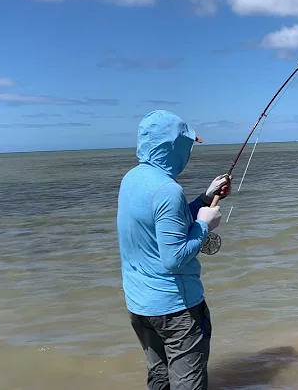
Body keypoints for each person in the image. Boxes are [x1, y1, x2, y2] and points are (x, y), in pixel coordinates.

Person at [116, 110, 232, 390]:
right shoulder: (168, 190)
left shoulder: (132, 179)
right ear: (174, 149)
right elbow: (174, 257)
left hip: (140, 307)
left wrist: (205, 198)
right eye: (187, 146)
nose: (189, 153)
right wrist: (205, 225)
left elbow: (164, 221)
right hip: (177, 310)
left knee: (160, 378)